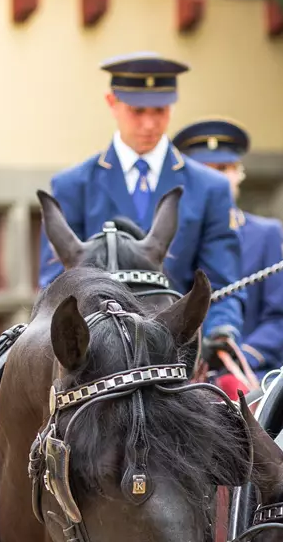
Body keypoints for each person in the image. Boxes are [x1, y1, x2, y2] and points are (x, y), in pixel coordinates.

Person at [37, 52, 243, 348]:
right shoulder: (73, 186)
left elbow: (222, 281)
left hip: (180, 351)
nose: (149, 124)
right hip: (98, 357)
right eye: (137, 111)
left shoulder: (211, 188)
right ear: (112, 103)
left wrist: (221, 330)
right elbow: (55, 287)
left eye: (159, 111)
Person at [171, 118, 283, 381]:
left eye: (225, 168)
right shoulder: (172, 239)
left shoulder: (267, 234)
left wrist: (241, 357)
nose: (217, 178)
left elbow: (280, 318)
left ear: (240, 173)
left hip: (251, 372)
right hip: (181, 374)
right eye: (206, 170)